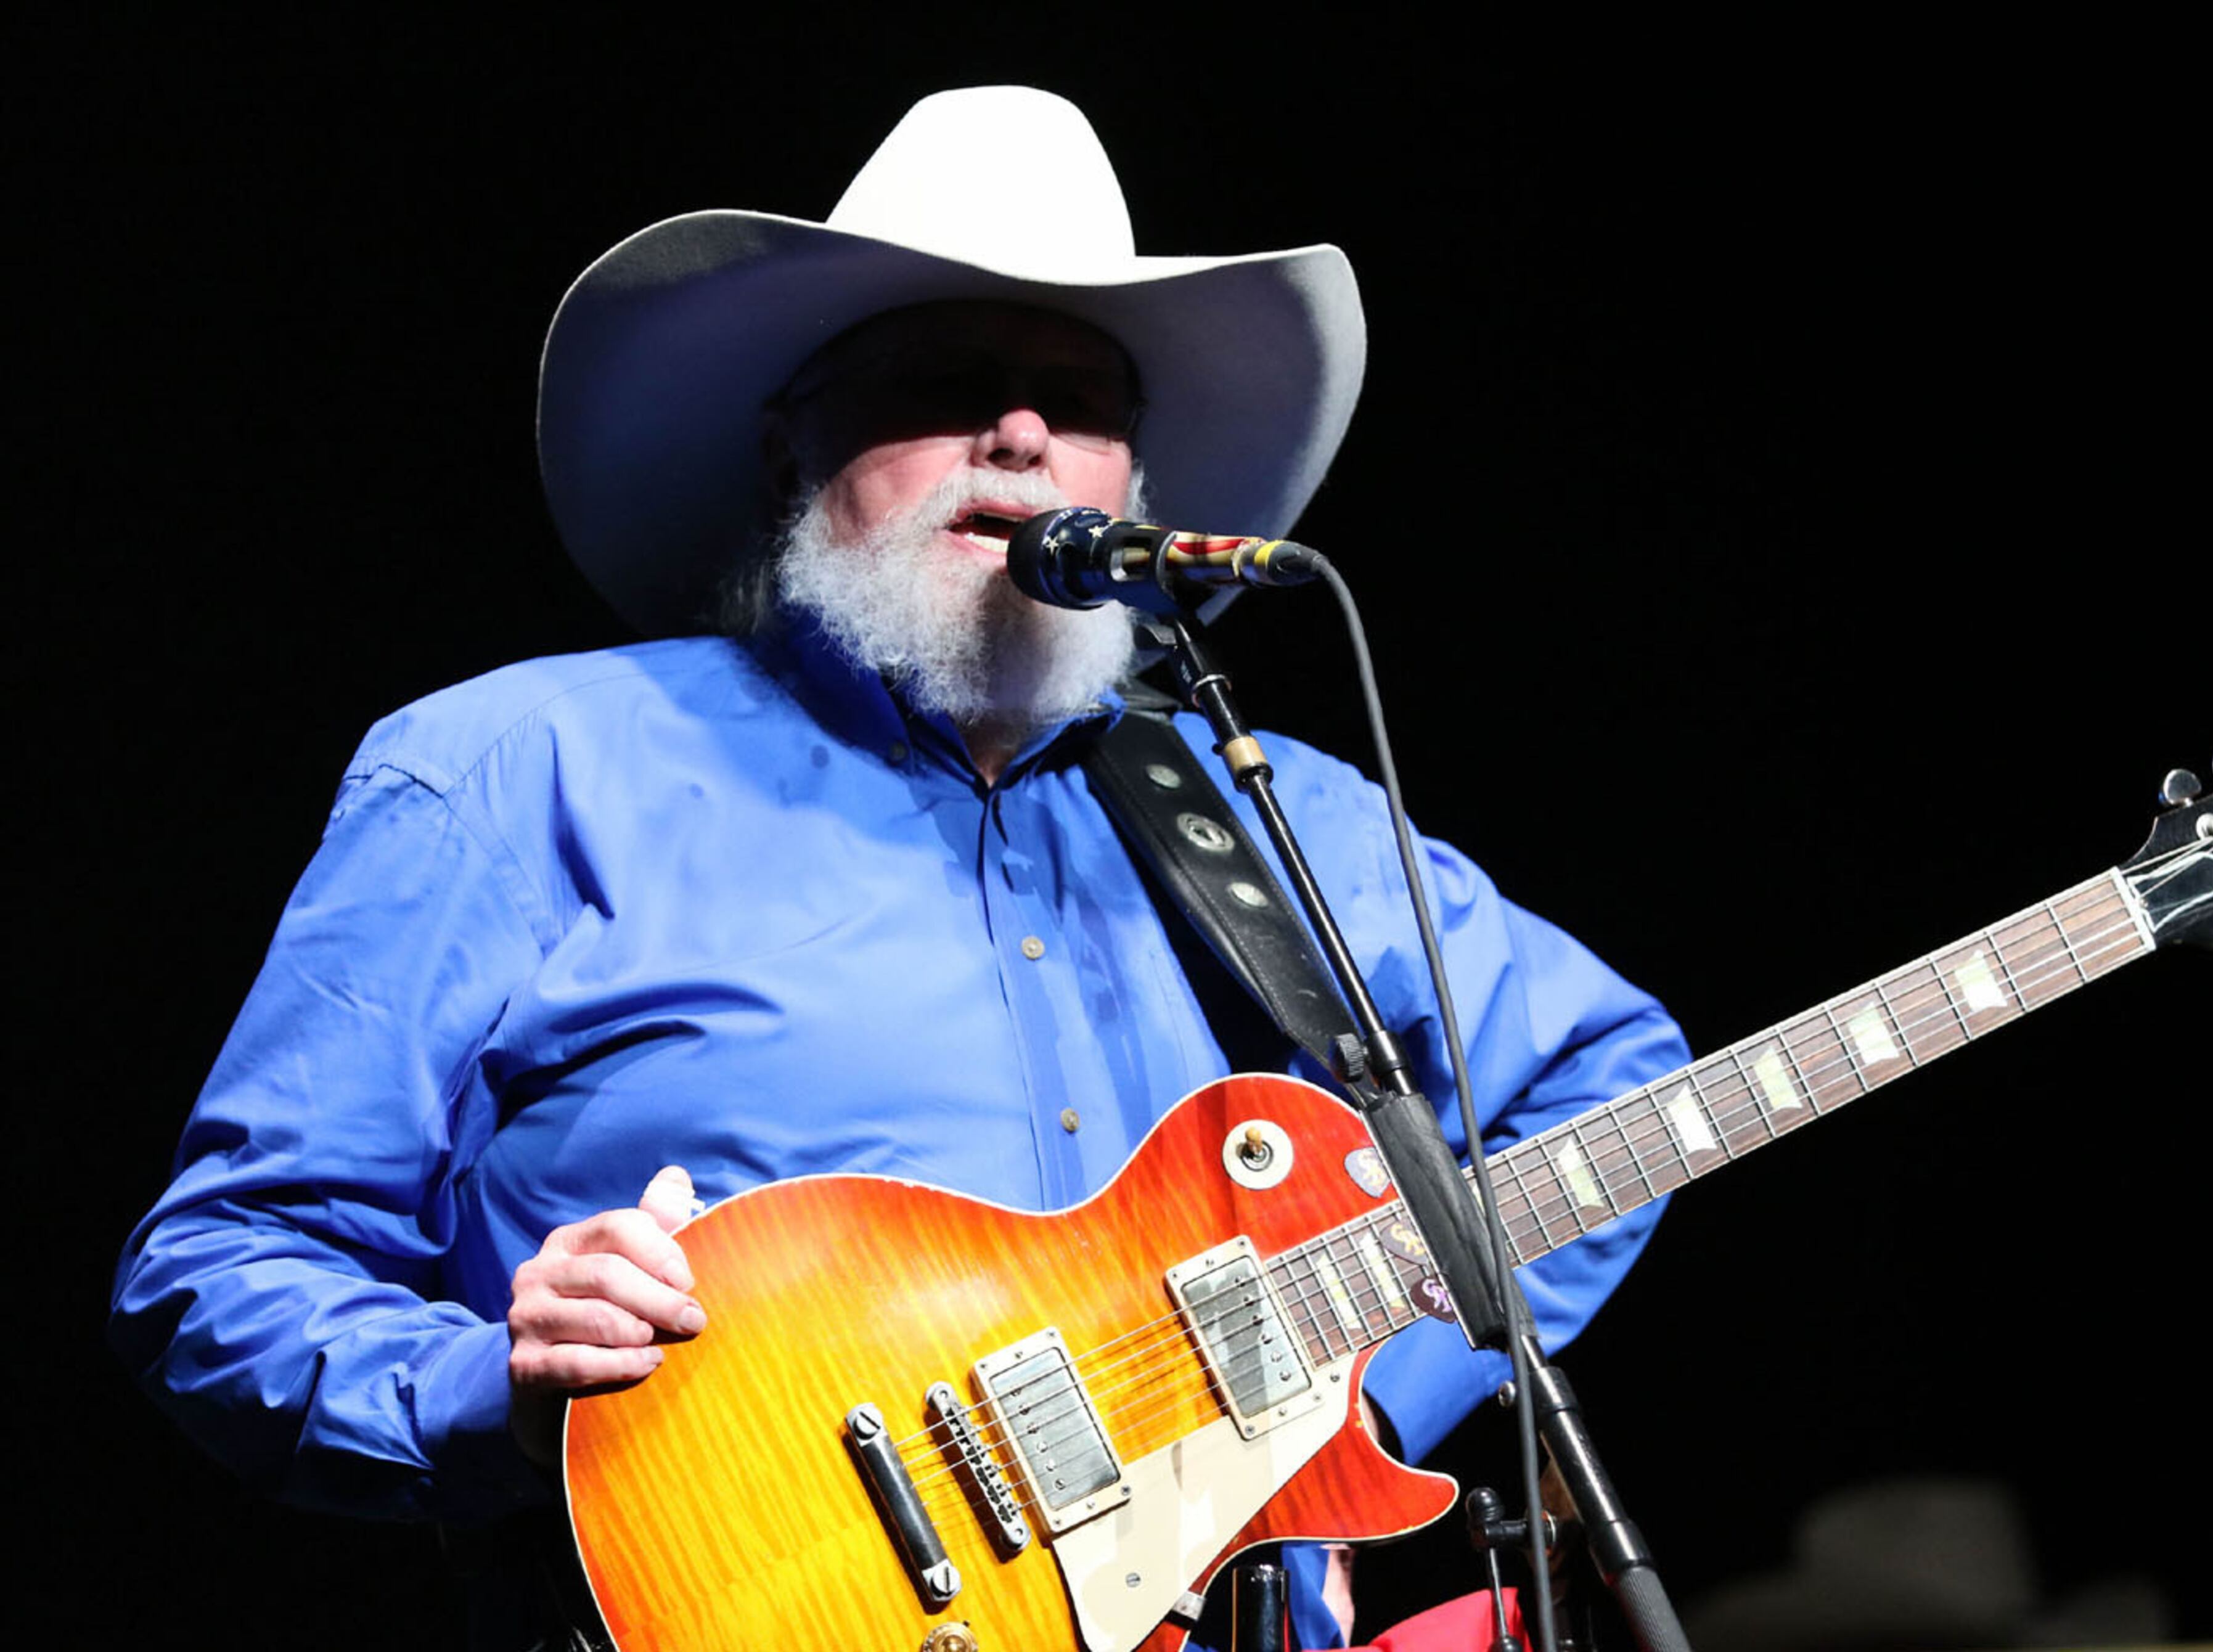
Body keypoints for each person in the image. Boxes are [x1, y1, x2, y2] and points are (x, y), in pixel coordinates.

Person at [110, 87, 1688, 1650]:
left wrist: (1323, 1413)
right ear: (796, 447)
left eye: (1080, 400)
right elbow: (222, 1267)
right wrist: (497, 1392)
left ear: (1128, 494)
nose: (1019, 433)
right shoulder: (517, 770)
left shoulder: (1261, 809)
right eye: (943, 379)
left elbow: (1608, 1074)